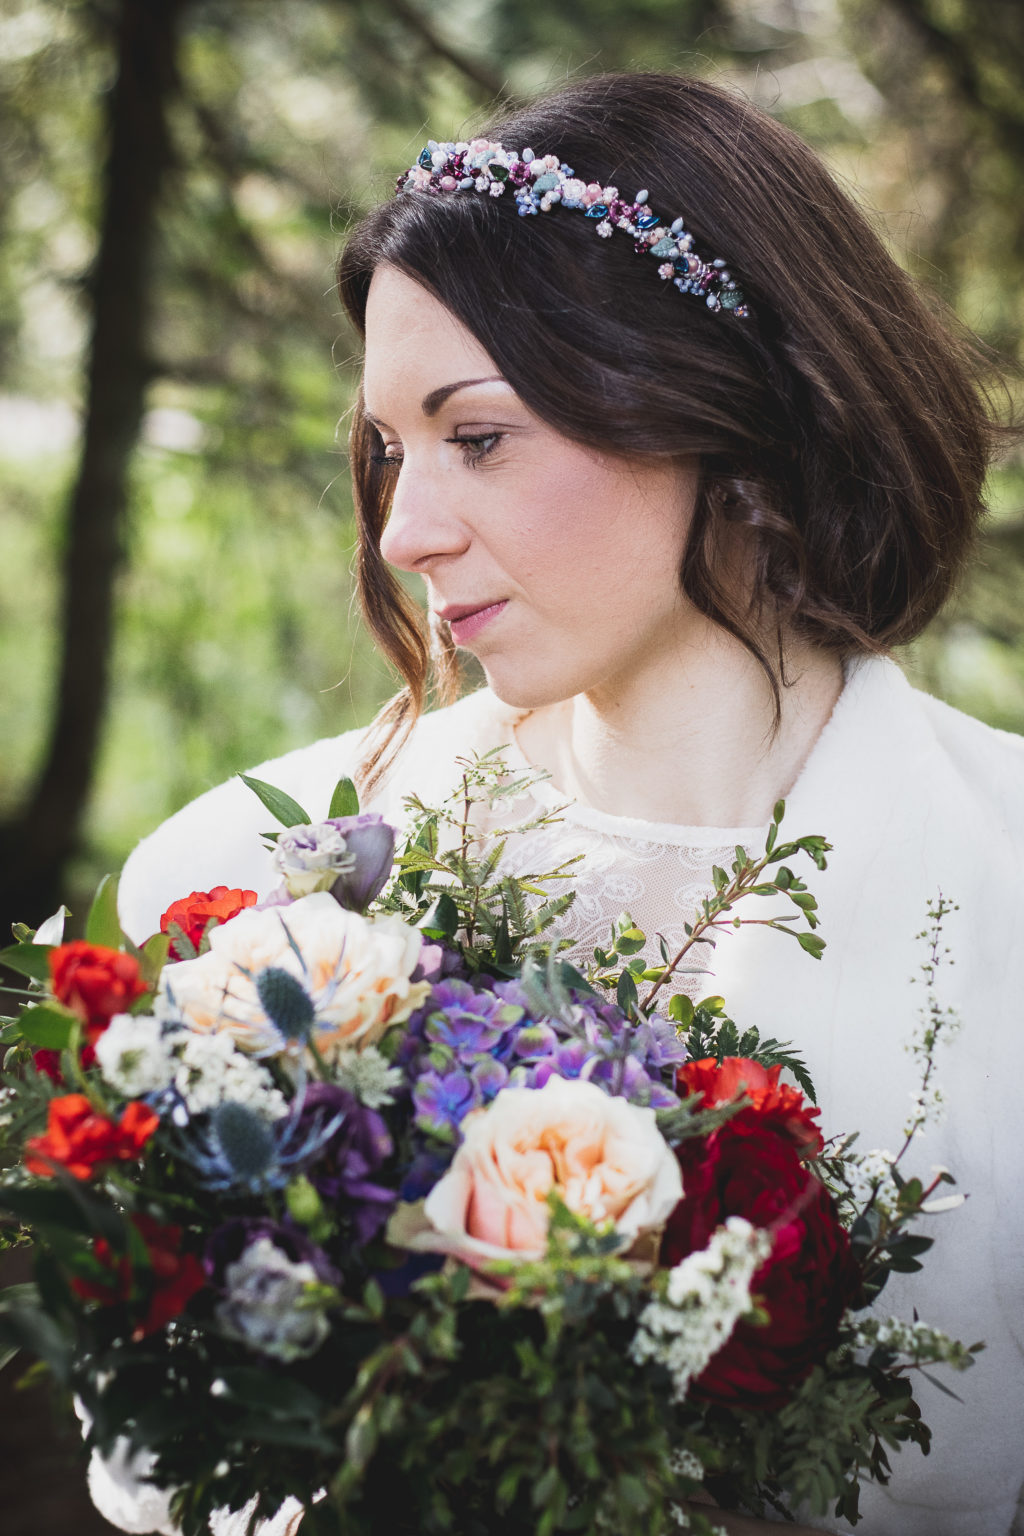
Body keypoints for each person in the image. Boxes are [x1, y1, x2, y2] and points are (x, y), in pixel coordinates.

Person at [90, 72, 1024, 1536]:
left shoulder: (1008, 882)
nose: (402, 529)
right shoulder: (245, 898)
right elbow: (152, 1457)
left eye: (478, 436)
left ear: (724, 415)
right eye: (389, 447)